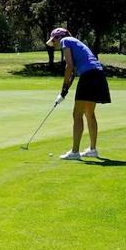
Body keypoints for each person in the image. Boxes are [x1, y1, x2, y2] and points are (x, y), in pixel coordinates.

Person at [46, 27, 111, 160]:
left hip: (88, 76)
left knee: (77, 114)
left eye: (54, 40)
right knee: (89, 113)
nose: (56, 44)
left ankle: (75, 152)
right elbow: (74, 73)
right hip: (98, 75)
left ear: (58, 37)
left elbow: (69, 66)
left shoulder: (65, 40)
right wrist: (64, 92)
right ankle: (92, 150)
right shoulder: (76, 43)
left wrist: (63, 87)